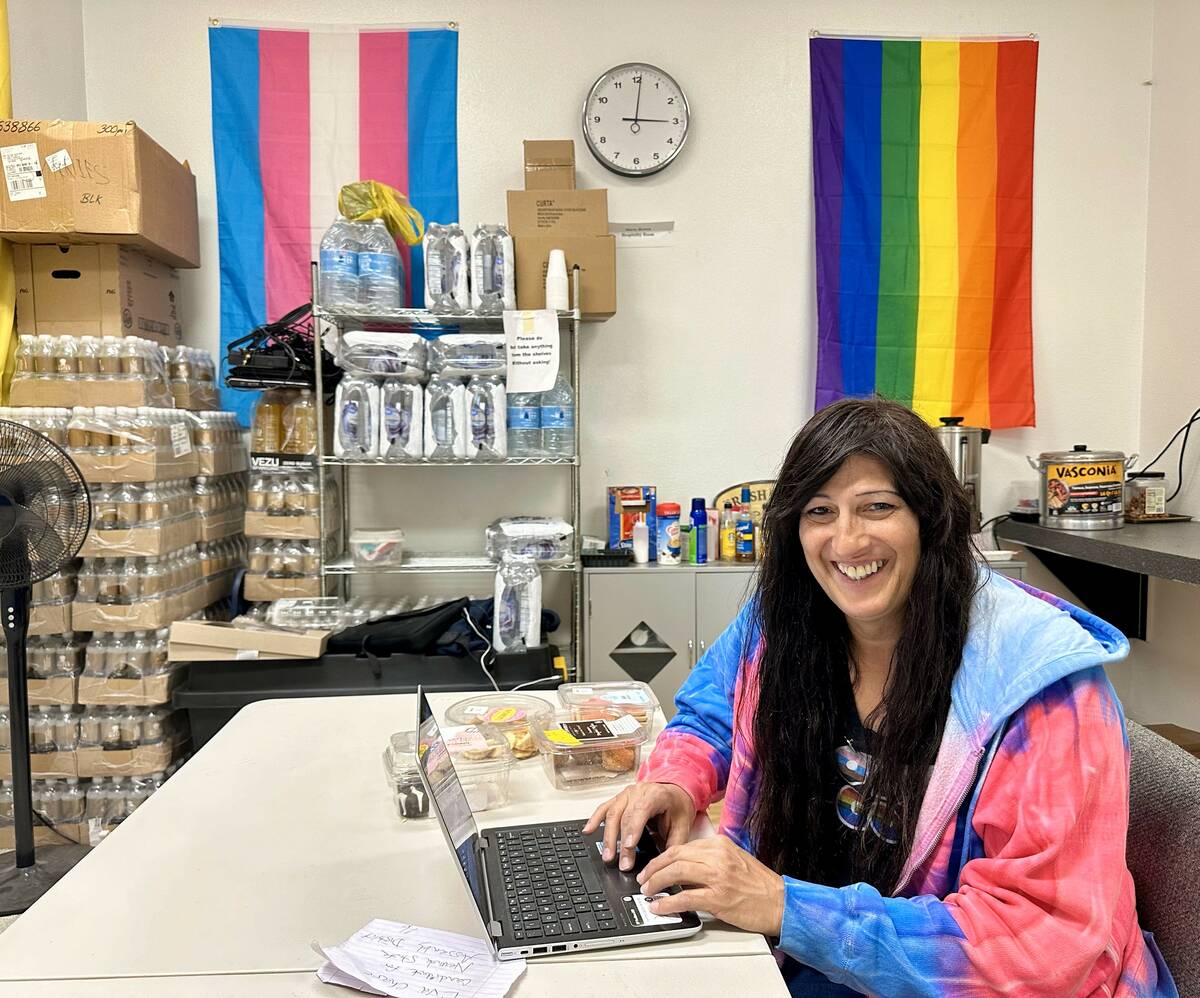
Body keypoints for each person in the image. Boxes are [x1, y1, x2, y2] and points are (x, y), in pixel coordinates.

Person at [585, 398, 1176, 997]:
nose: (847, 540)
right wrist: (674, 783)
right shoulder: (786, 620)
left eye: (877, 507)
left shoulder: (1045, 690)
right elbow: (713, 714)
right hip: (808, 959)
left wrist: (786, 907)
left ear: (931, 518)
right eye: (820, 511)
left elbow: (1039, 944)